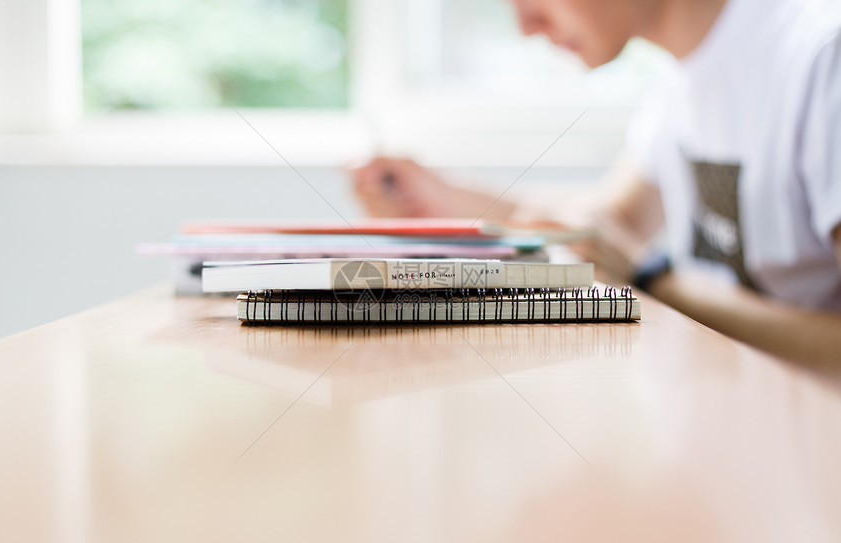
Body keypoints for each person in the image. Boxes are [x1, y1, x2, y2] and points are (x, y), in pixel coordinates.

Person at [350, 0, 841, 376]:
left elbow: (623, 254)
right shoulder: (683, 73)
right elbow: (607, 225)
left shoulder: (820, 54)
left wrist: (655, 281)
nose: (525, 25)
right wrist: (447, 202)